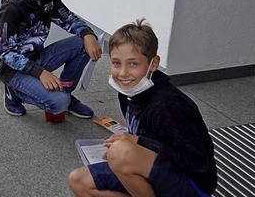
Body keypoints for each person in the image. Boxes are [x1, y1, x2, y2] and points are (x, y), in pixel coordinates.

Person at [68, 19, 217, 197]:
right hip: (155, 167)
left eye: (133, 63)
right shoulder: (127, 91)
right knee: (78, 181)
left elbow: (197, 162)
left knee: (119, 152)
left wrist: (137, 143)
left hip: (191, 184)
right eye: (116, 63)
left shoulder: (168, 104)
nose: (122, 73)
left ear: (153, 64)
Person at [0, 0, 102, 120]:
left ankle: (66, 93)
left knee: (84, 43)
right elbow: (4, 52)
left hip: (36, 57)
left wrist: (88, 34)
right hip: (11, 68)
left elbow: (68, 18)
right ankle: (14, 90)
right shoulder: (12, 7)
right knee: (57, 104)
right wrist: (40, 73)